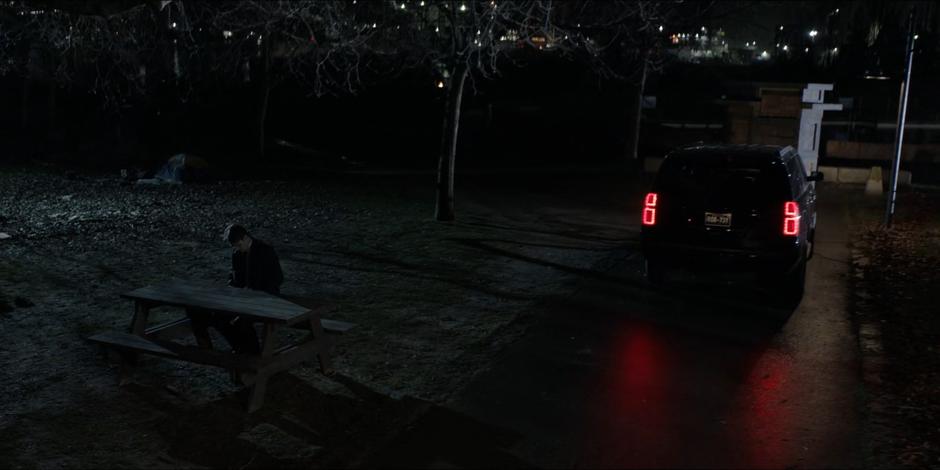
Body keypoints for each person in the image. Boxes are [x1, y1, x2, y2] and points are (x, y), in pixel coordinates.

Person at [187, 224, 284, 355]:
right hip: (242, 298)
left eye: (238, 245)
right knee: (219, 316)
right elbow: (234, 278)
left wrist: (257, 293)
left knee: (240, 321)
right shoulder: (237, 254)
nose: (237, 248)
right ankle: (241, 348)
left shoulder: (265, 251)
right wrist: (231, 290)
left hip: (265, 299)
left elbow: (277, 278)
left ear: (245, 238)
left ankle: (251, 352)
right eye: (235, 246)